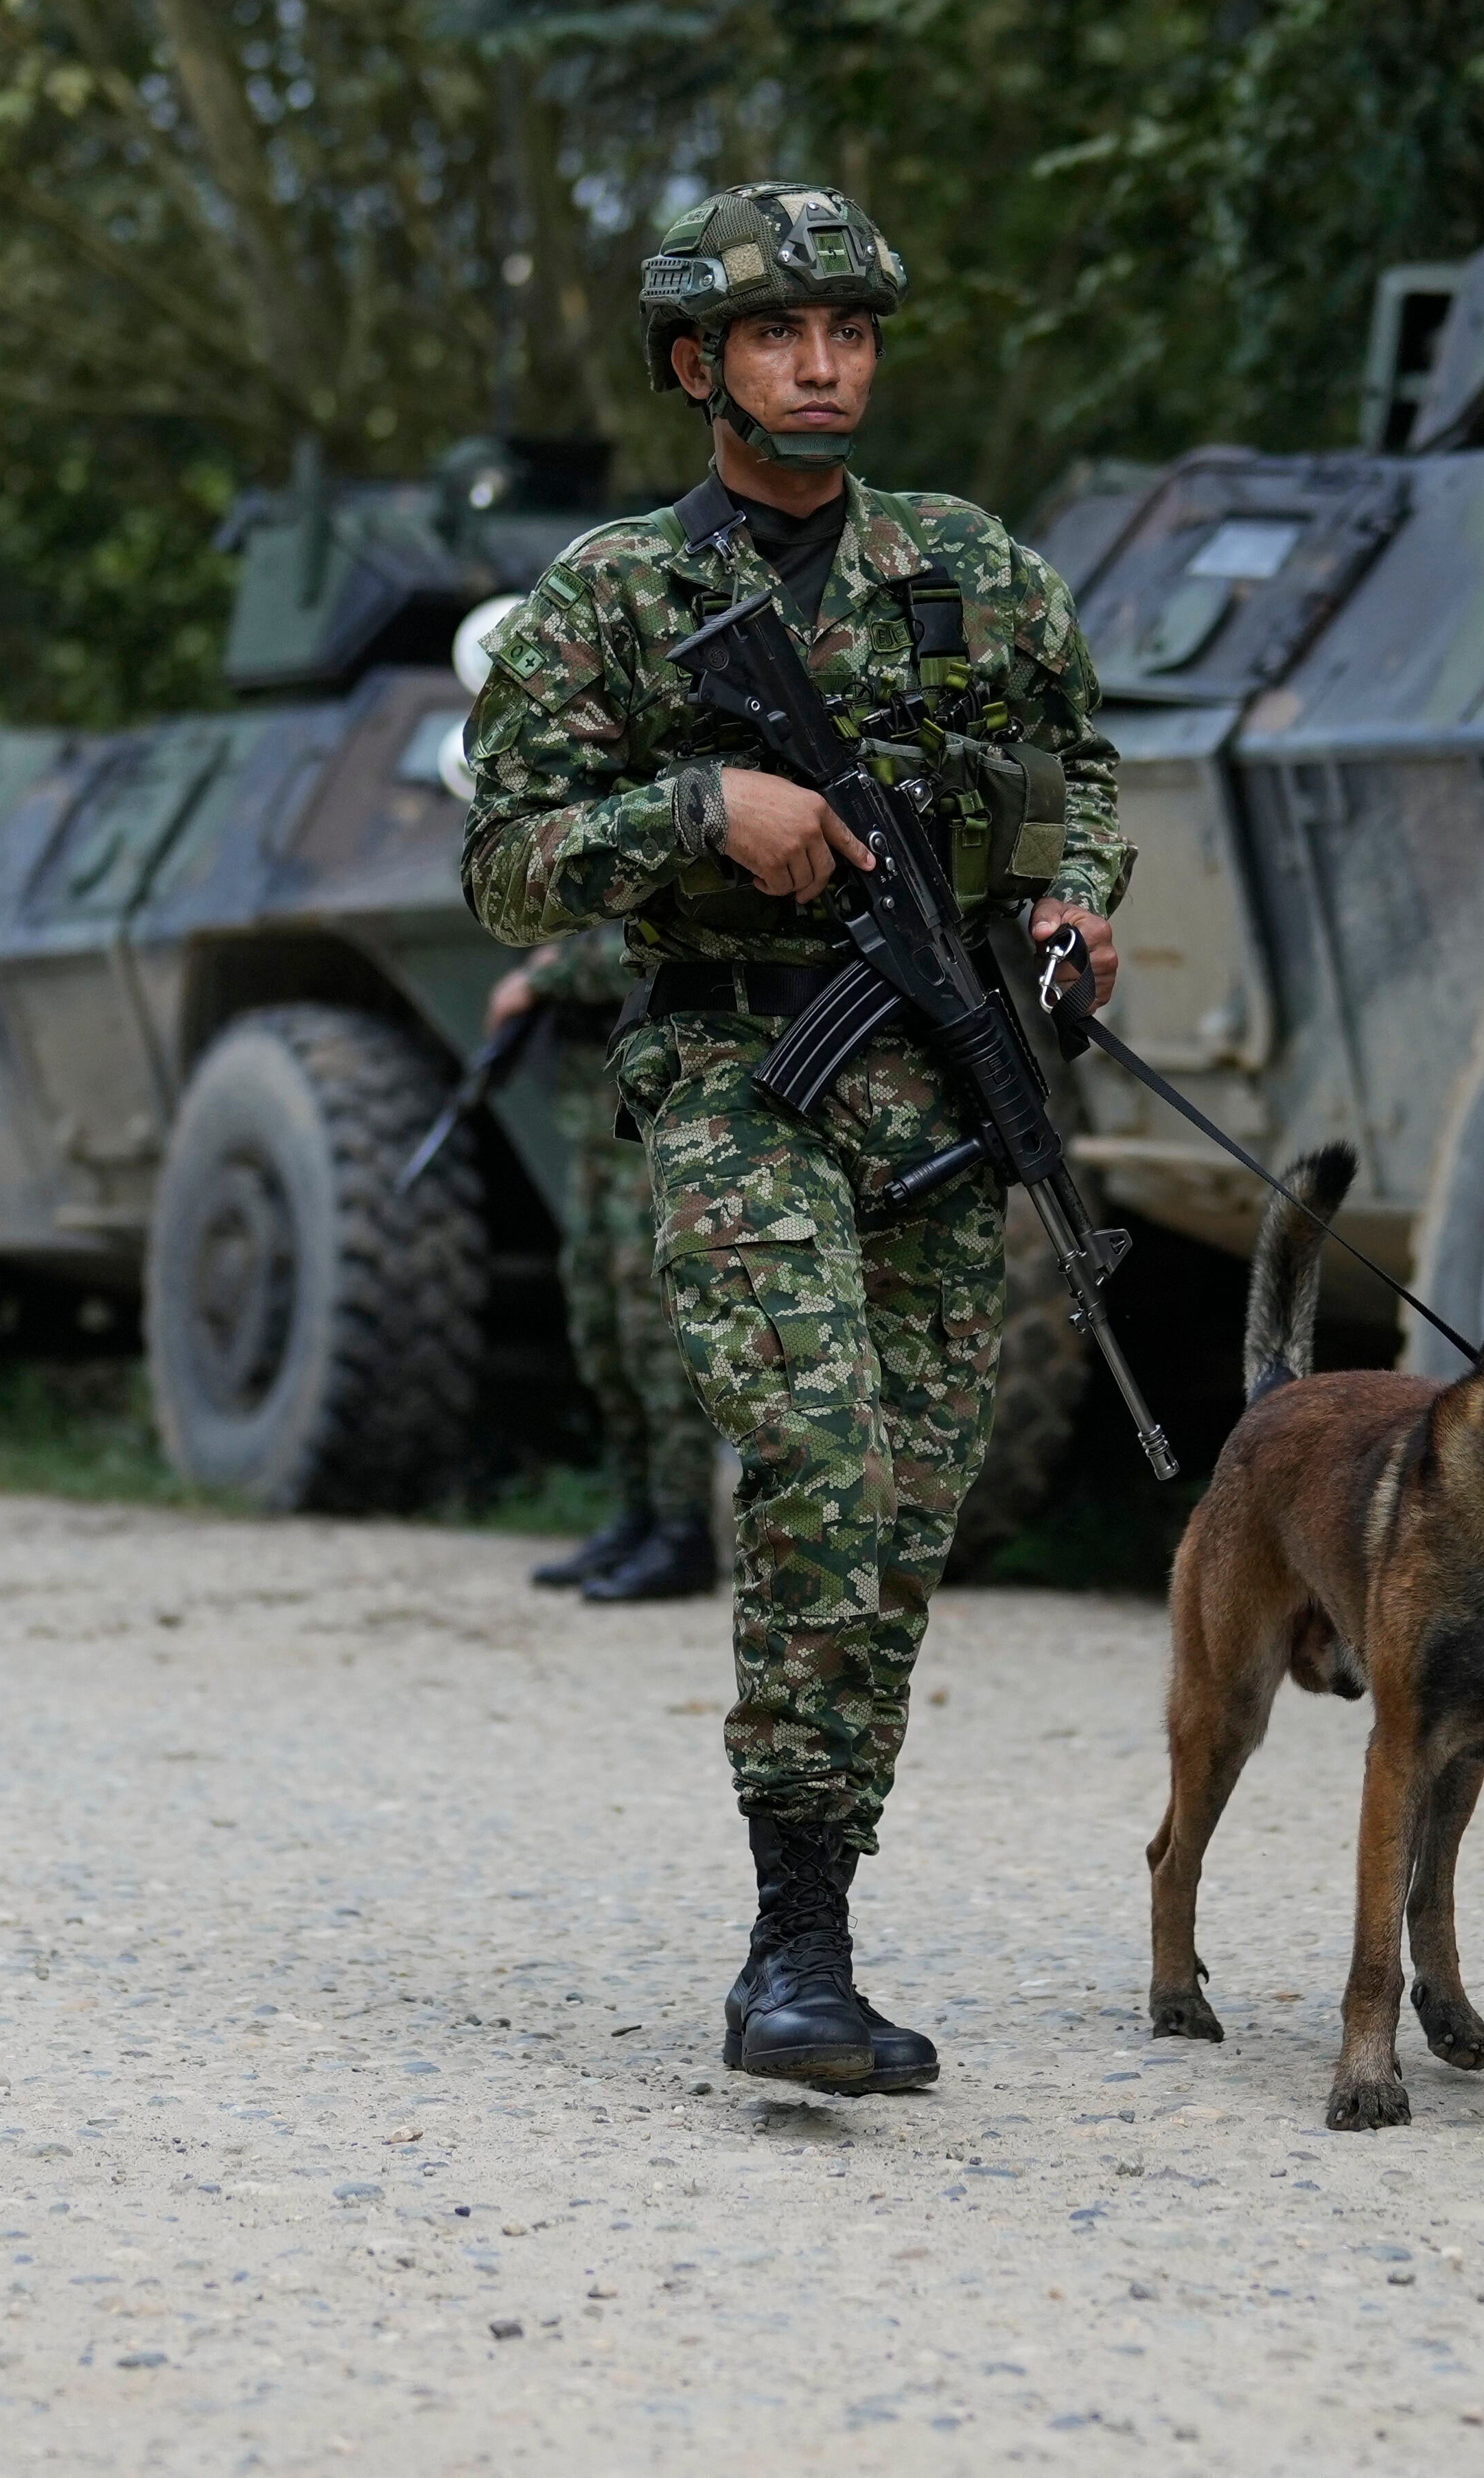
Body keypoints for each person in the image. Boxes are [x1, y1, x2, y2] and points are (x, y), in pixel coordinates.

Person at [461, 179, 1129, 2096]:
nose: (822, 363)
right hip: (737, 1080)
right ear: (699, 366)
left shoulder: (968, 569)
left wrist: (1079, 898)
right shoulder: (609, 594)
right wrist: (699, 810)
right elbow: (504, 863)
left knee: (905, 1509)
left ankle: (818, 1905)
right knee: (822, 1453)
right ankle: (792, 1951)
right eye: (777, 335)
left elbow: (1078, 768)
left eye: (847, 332)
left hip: (938, 1088)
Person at [510, 921, 719, 1606]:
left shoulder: (669, 821)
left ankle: (684, 1529)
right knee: (600, 1331)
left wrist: (544, 974)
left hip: (657, 1126)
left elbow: (646, 946)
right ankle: (638, 1515)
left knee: (652, 1335)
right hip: (598, 1135)